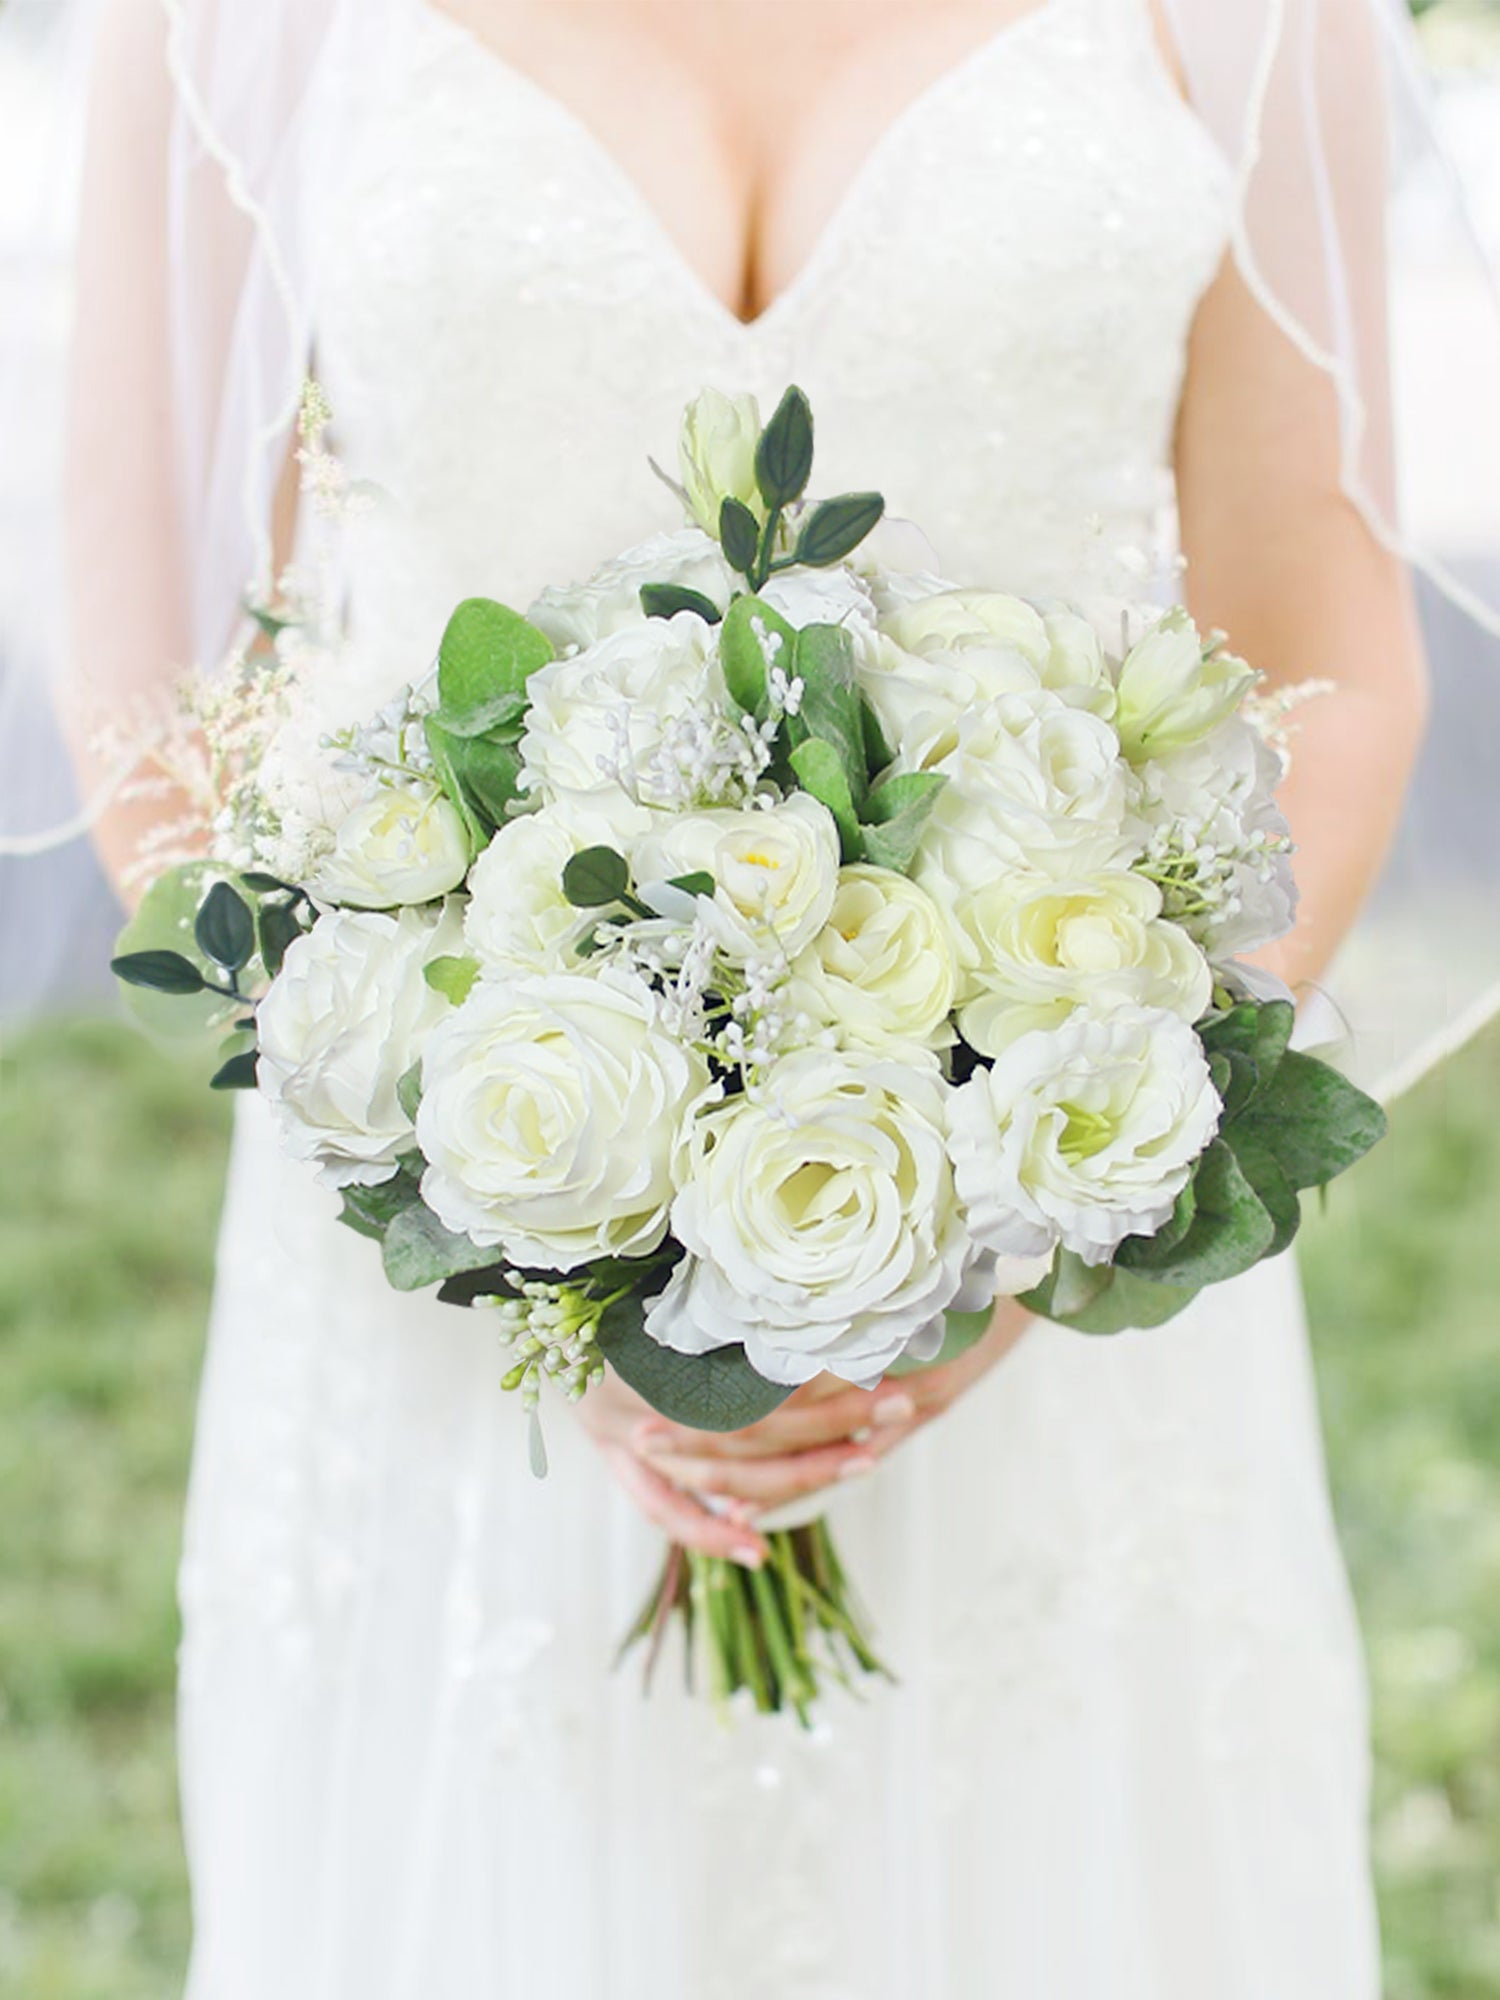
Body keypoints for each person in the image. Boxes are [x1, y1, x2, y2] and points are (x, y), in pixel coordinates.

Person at [20, 0, 1490, 1993]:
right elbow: (150, 691)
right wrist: (515, 1217)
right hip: (469, 1307)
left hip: (1045, 1308)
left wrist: (1030, 1219)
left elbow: (1329, 659)